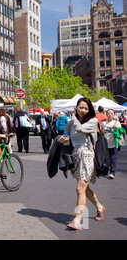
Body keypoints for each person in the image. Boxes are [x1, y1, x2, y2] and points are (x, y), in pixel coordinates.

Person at [58, 97, 105, 230]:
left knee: (79, 189)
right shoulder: (71, 122)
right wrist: (61, 140)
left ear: (89, 109)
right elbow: (66, 136)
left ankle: (77, 219)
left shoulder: (93, 120)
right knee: (84, 189)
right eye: (81, 107)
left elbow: (80, 129)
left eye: (86, 108)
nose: (83, 110)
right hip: (76, 156)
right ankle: (100, 207)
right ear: (76, 107)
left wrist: (73, 118)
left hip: (87, 156)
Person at [100, 109, 122, 179]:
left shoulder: (117, 122)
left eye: (111, 113)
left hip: (114, 143)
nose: (110, 115)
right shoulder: (103, 123)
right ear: (106, 114)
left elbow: (121, 132)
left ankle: (112, 172)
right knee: (107, 159)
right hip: (106, 144)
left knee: (113, 158)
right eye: (108, 113)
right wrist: (102, 129)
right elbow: (101, 133)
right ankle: (106, 170)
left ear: (114, 115)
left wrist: (117, 128)